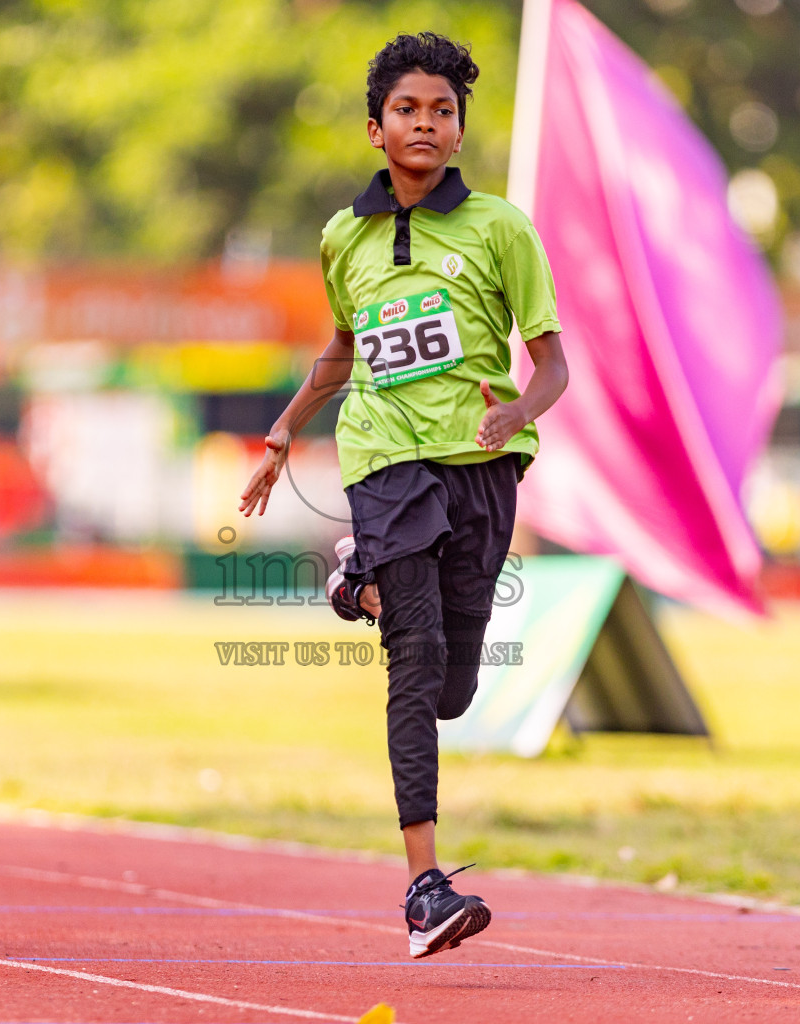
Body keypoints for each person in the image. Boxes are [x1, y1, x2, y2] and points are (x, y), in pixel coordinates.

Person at [239, 32, 568, 958]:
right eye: (407, 110)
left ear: (460, 131)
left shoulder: (501, 228)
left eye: (443, 111)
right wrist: (284, 427)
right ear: (376, 129)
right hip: (383, 455)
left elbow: (553, 365)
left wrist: (515, 418)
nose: (425, 123)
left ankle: (358, 580)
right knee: (414, 665)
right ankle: (424, 888)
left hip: (482, 468)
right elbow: (342, 350)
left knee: (454, 692)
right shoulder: (344, 237)